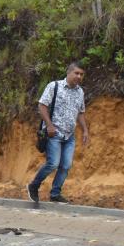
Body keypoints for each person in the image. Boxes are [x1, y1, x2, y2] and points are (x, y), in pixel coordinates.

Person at [27, 62, 90, 204]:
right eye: (77, 73)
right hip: (53, 134)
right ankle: (33, 186)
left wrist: (85, 130)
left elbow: (80, 112)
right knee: (53, 163)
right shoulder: (54, 86)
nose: (79, 76)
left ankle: (55, 194)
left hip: (69, 135)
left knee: (66, 166)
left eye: (81, 74)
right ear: (69, 72)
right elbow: (42, 106)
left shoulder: (80, 92)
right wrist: (49, 125)